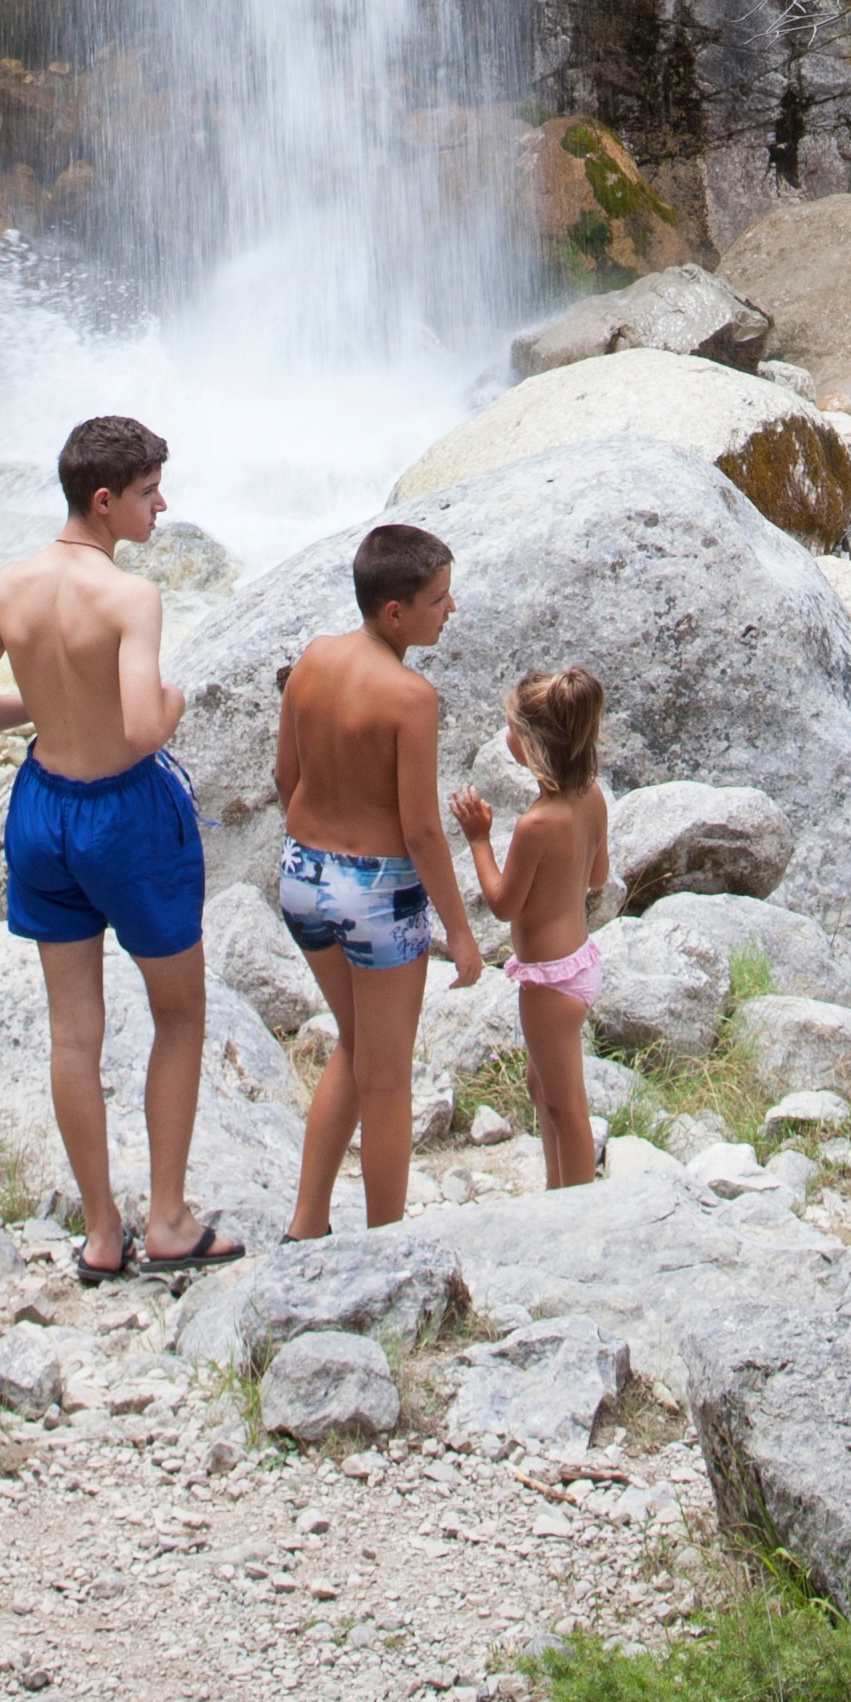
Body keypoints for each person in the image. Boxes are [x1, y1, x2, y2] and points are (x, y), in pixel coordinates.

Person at [0, 410, 239, 1282]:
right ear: (104, 502)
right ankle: (171, 1221)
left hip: (42, 812)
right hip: (127, 818)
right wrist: (175, 701)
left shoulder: (9, 585)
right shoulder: (131, 597)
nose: (162, 507)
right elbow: (144, 729)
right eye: (148, 495)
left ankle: (103, 1234)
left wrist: (43, 708)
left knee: (74, 1034)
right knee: (179, 1015)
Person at [274, 518, 485, 1232]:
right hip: (378, 894)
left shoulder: (312, 660)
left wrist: (321, 848)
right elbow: (422, 828)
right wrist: (460, 933)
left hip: (302, 876)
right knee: (389, 1080)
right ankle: (386, 1245)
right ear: (394, 612)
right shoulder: (408, 697)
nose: (450, 609)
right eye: (439, 599)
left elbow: (285, 776)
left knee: (357, 1046)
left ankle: (307, 1220)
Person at [454, 667, 612, 1191]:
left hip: (548, 981)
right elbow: (598, 876)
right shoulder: (591, 798)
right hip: (578, 963)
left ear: (537, 745)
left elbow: (502, 905)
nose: (507, 739)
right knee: (540, 1084)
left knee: (566, 1106)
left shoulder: (535, 824)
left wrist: (479, 839)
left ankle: (577, 1203)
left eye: (514, 730)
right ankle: (556, 1189)